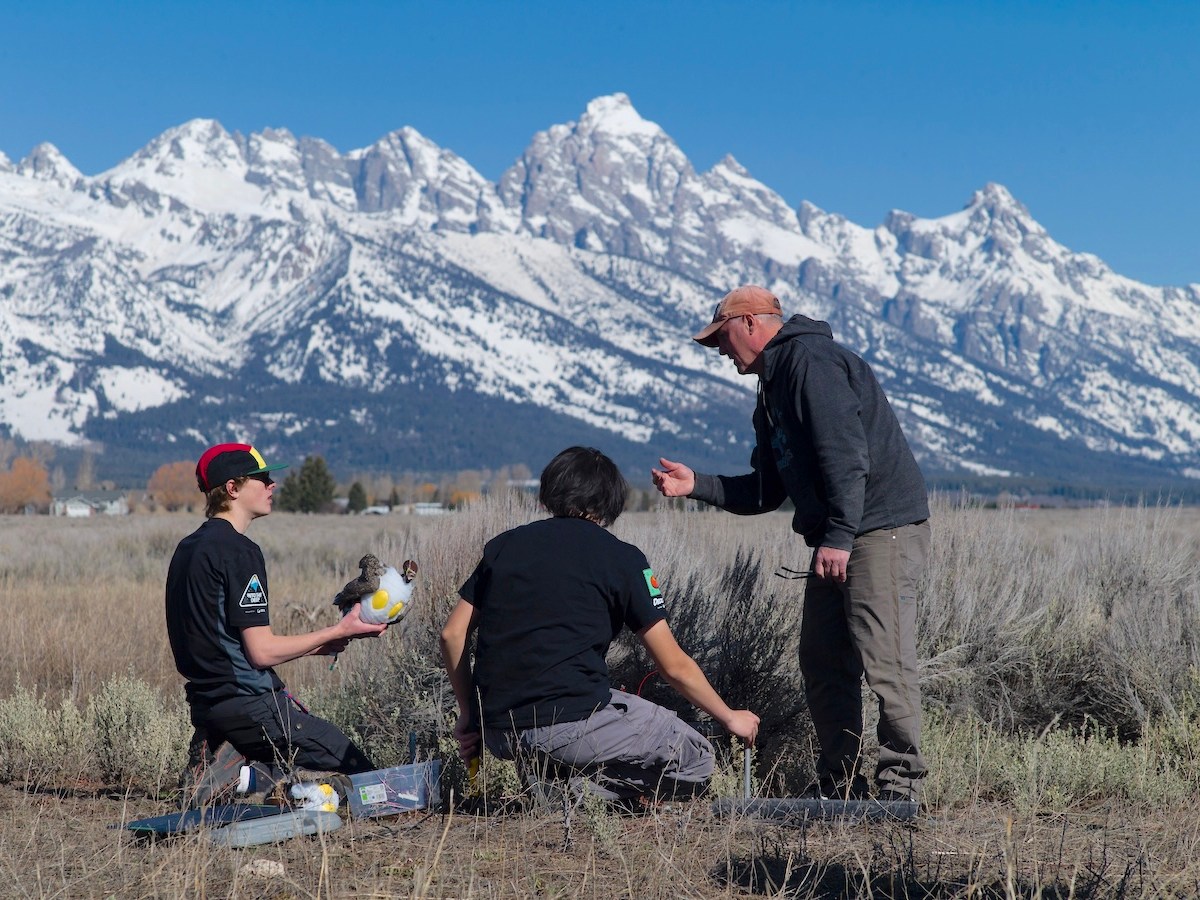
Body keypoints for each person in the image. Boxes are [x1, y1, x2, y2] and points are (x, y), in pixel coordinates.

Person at [651, 285, 931, 802]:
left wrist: (841, 537)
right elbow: (766, 490)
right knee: (823, 659)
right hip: (842, 535)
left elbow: (847, 457)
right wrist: (697, 486)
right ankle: (841, 786)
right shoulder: (773, 386)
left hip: (876, 530)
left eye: (723, 337)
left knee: (884, 660)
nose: (720, 351)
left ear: (752, 323)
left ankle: (901, 790)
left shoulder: (809, 363)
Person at [441, 446, 760, 805]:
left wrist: (470, 714)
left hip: (500, 733)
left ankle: (554, 779)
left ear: (550, 493)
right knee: (697, 760)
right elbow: (673, 667)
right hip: (571, 725)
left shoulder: (503, 547)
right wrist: (730, 717)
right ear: (609, 502)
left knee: (598, 712)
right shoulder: (622, 558)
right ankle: (579, 794)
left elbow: (452, 634)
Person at [166, 442, 387, 806]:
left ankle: (229, 773)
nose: (272, 485)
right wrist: (340, 630)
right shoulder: (240, 550)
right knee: (359, 769)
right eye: (261, 478)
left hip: (208, 704)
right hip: (249, 704)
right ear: (232, 488)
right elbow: (260, 651)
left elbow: (222, 639)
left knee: (276, 765)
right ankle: (237, 776)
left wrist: (320, 646)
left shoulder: (188, 548)